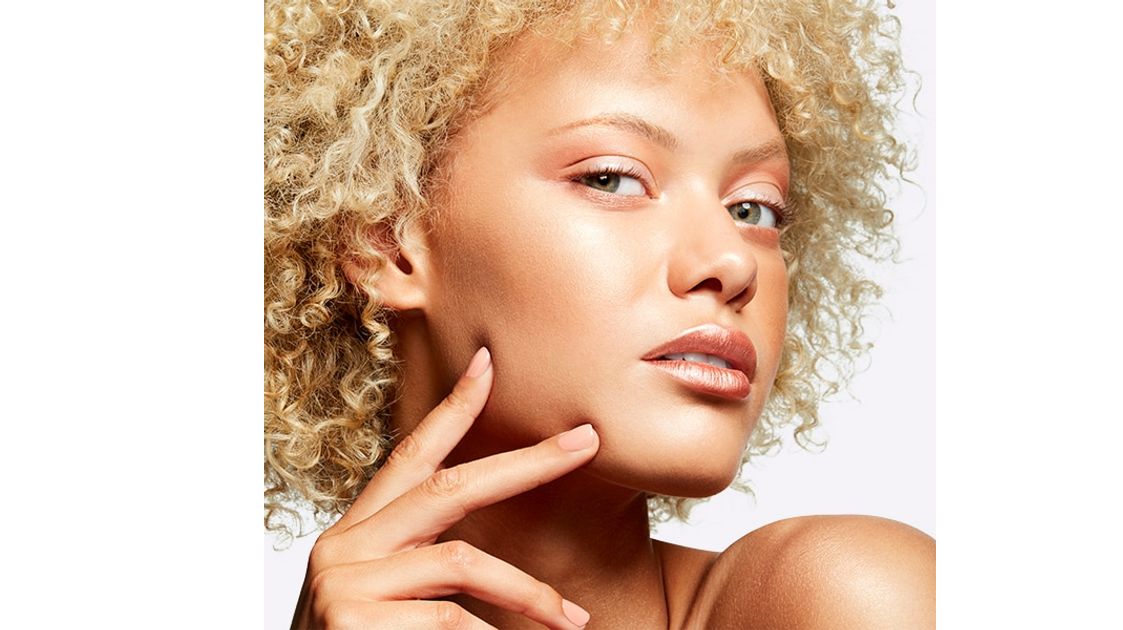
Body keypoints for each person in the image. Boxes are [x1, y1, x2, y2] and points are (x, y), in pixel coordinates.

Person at [265, 0, 934, 627]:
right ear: (386, 242)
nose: (733, 262)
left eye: (753, 208)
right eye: (612, 177)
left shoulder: (849, 598)